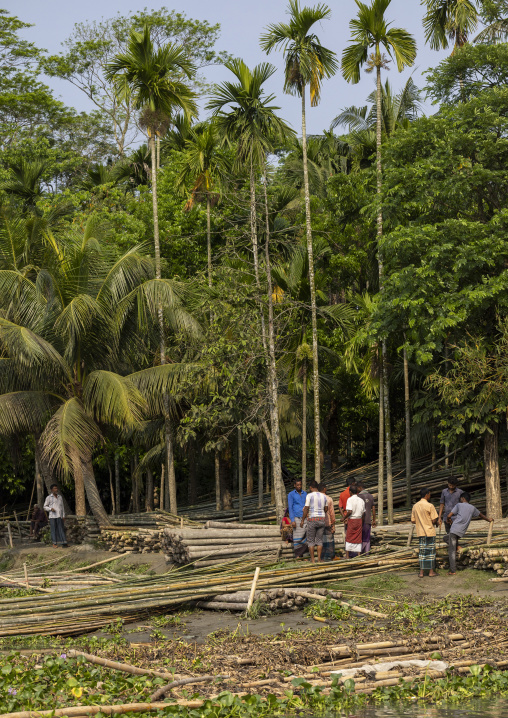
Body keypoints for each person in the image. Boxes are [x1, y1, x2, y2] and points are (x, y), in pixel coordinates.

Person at [446, 492, 493, 575]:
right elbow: (481, 515)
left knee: (451, 551)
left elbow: (449, 515)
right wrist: (488, 519)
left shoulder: (459, 505)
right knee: (445, 538)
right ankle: (458, 546)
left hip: (454, 529)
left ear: (463, 498)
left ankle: (452, 571)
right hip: (461, 532)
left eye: (461, 499)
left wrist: (449, 520)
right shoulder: (472, 508)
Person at [411, 488, 438, 578]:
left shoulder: (415, 506)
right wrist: (434, 522)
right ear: (426, 495)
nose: (430, 496)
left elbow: (412, 520)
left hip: (420, 532)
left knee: (422, 552)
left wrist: (420, 521)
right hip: (429, 531)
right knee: (431, 552)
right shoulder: (430, 506)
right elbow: (434, 519)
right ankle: (431, 572)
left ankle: (421, 572)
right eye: (429, 494)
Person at [301, 481, 328, 563]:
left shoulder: (309, 496)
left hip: (312, 519)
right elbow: (326, 509)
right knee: (319, 540)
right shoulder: (323, 496)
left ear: (310, 488)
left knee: (311, 541)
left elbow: (306, 508)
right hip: (321, 519)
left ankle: (313, 560)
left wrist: (302, 520)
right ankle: (319, 559)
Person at [343, 485, 365, 558]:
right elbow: (363, 513)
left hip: (352, 519)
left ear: (350, 492)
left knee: (349, 536)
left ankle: (347, 555)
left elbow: (350, 511)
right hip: (359, 519)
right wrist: (362, 521)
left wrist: (344, 518)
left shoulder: (350, 499)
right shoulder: (361, 500)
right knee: (358, 537)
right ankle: (358, 554)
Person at [288, 478, 307, 558]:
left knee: (305, 537)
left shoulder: (305, 493)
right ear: (294, 485)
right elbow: (290, 507)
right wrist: (292, 520)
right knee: (297, 537)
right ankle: (298, 555)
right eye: (297, 485)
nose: (299, 486)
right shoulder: (291, 494)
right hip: (296, 517)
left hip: (305, 518)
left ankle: (305, 555)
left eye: (300, 484)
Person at [357, 480, 376, 554]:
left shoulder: (358, 497)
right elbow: (373, 509)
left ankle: (360, 553)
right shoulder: (370, 496)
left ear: (359, 488)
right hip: (368, 520)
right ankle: (367, 553)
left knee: (360, 537)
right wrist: (374, 520)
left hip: (359, 521)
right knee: (367, 538)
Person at [320, 483, 336, 561]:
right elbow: (332, 512)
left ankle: (321, 557)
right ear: (324, 489)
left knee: (320, 540)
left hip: (317, 522)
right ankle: (329, 556)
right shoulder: (329, 499)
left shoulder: (314, 498)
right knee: (329, 540)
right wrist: (333, 524)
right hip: (327, 522)